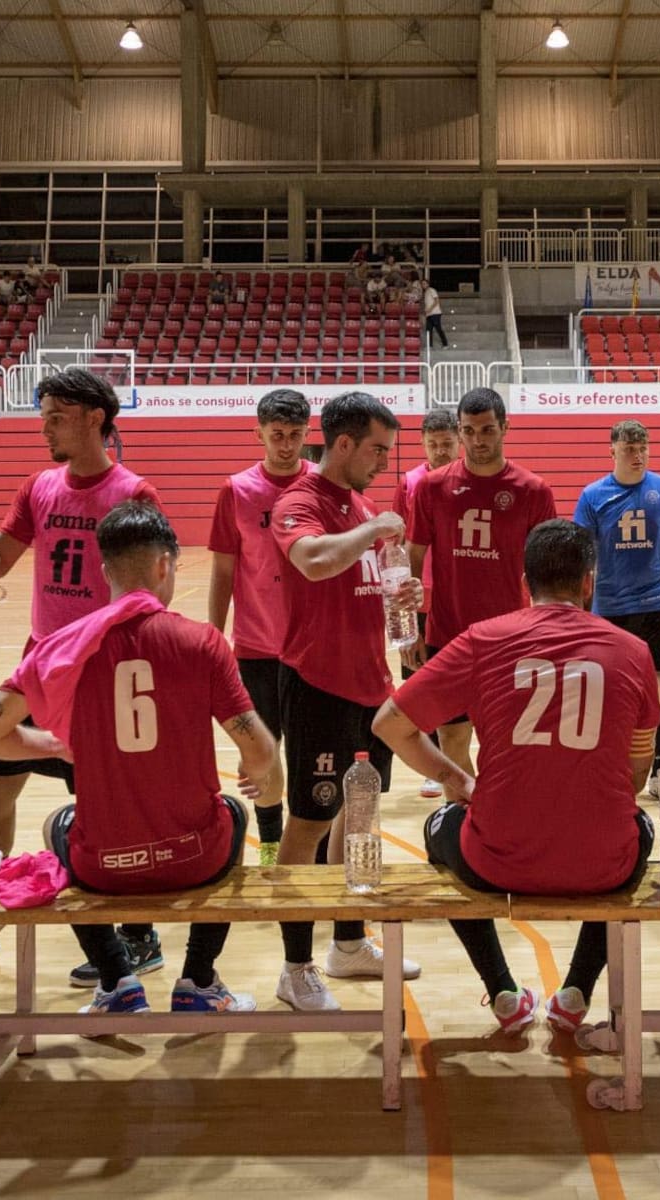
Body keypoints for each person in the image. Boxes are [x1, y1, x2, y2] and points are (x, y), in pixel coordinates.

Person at [0, 502, 276, 1016]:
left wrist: (54, 745)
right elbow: (258, 749)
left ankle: (118, 982)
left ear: (104, 572)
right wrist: (266, 782)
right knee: (235, 812)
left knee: (58, 826)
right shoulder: (202, 642)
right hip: (196, 857)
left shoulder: (65, 647)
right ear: (166, 565)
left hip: (106, 868)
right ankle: (199, 982)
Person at [374, 519, 660, 1034]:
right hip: (602, 863)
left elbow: (389, 725)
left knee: (437, 833)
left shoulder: (484, 640)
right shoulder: (633, 652)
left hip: (496, 860)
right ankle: (575, 994)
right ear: (589, 582)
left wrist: (458, 780)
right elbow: (640, 771)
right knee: (640, 832)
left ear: (525, 584)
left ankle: (504, 993)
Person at [0, 368, 165, 988]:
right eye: (43, 415)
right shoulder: (38, 487)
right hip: (40, 663)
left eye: (55, 415)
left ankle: (138, 935)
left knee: (104, 808)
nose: (44, 427)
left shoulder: (134, 492)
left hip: (99, 672)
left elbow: (150, 591)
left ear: (94, 417)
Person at [271, 391, 422, 1012]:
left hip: (369, 686)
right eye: (377, 450)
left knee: (358, 815)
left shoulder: (360, 506)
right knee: (307, 823)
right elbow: (311, 562)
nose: (384, 463)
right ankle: (294, 966)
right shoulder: (300, 501)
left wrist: (402, 596)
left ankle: (348, 942)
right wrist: (371, 531)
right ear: (341, 444)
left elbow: (370, 591)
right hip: (316, 688)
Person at [405, 388, 557, 776]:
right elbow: (412, 560)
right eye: (469, 431)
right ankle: (465, 820)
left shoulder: (533, 490)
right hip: (447, 634)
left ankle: (496, 818)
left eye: (487, 429)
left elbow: (548, 571)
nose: (477, 440)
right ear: (459, 431)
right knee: (451, 741)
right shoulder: (432, 487)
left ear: (505, 427)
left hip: (508, 638)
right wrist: (409, 629)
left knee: (503, 741)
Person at [207, 389, 315, 868]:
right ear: (259, 434)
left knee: (311, 755)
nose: (286, 445)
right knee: (264, 756)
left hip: (313, 648)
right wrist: (212, 637)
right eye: (277, 436)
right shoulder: (236, 490)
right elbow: (224, 572)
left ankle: (305, 847)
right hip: (255, 648)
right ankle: (271, 845)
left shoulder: (323, 485)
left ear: (307, 434)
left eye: (294, 435)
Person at [573, 420, 660, 783]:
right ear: (612, 450)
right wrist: (578, 606)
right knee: (610, 687)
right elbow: (582, 554)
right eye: (629, 448)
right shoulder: (593, 495)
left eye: (643, 447)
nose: (637, 455)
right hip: (610, 608)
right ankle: (611, 767)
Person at [391, 407, 461, 798]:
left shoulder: (469, 480)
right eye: (432, 445)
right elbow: (400, 547)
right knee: (422, 681)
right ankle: (433, 762)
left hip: (457, 597)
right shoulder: (411, 482)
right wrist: (401, 620)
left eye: (446, 444)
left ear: (459, 442)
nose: (439, 452)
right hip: (421, 598)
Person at [422, 279, 448, 349]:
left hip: (435, 313)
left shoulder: (432, 290)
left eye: (425, 284)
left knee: (438, 328)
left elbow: (436, 300)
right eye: (422, 284)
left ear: (428, 284)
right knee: (428, 330)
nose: (423, 285)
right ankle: (430, 345)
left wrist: (430, 309)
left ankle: (445, 344)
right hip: (429, 314)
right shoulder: (425, 293)